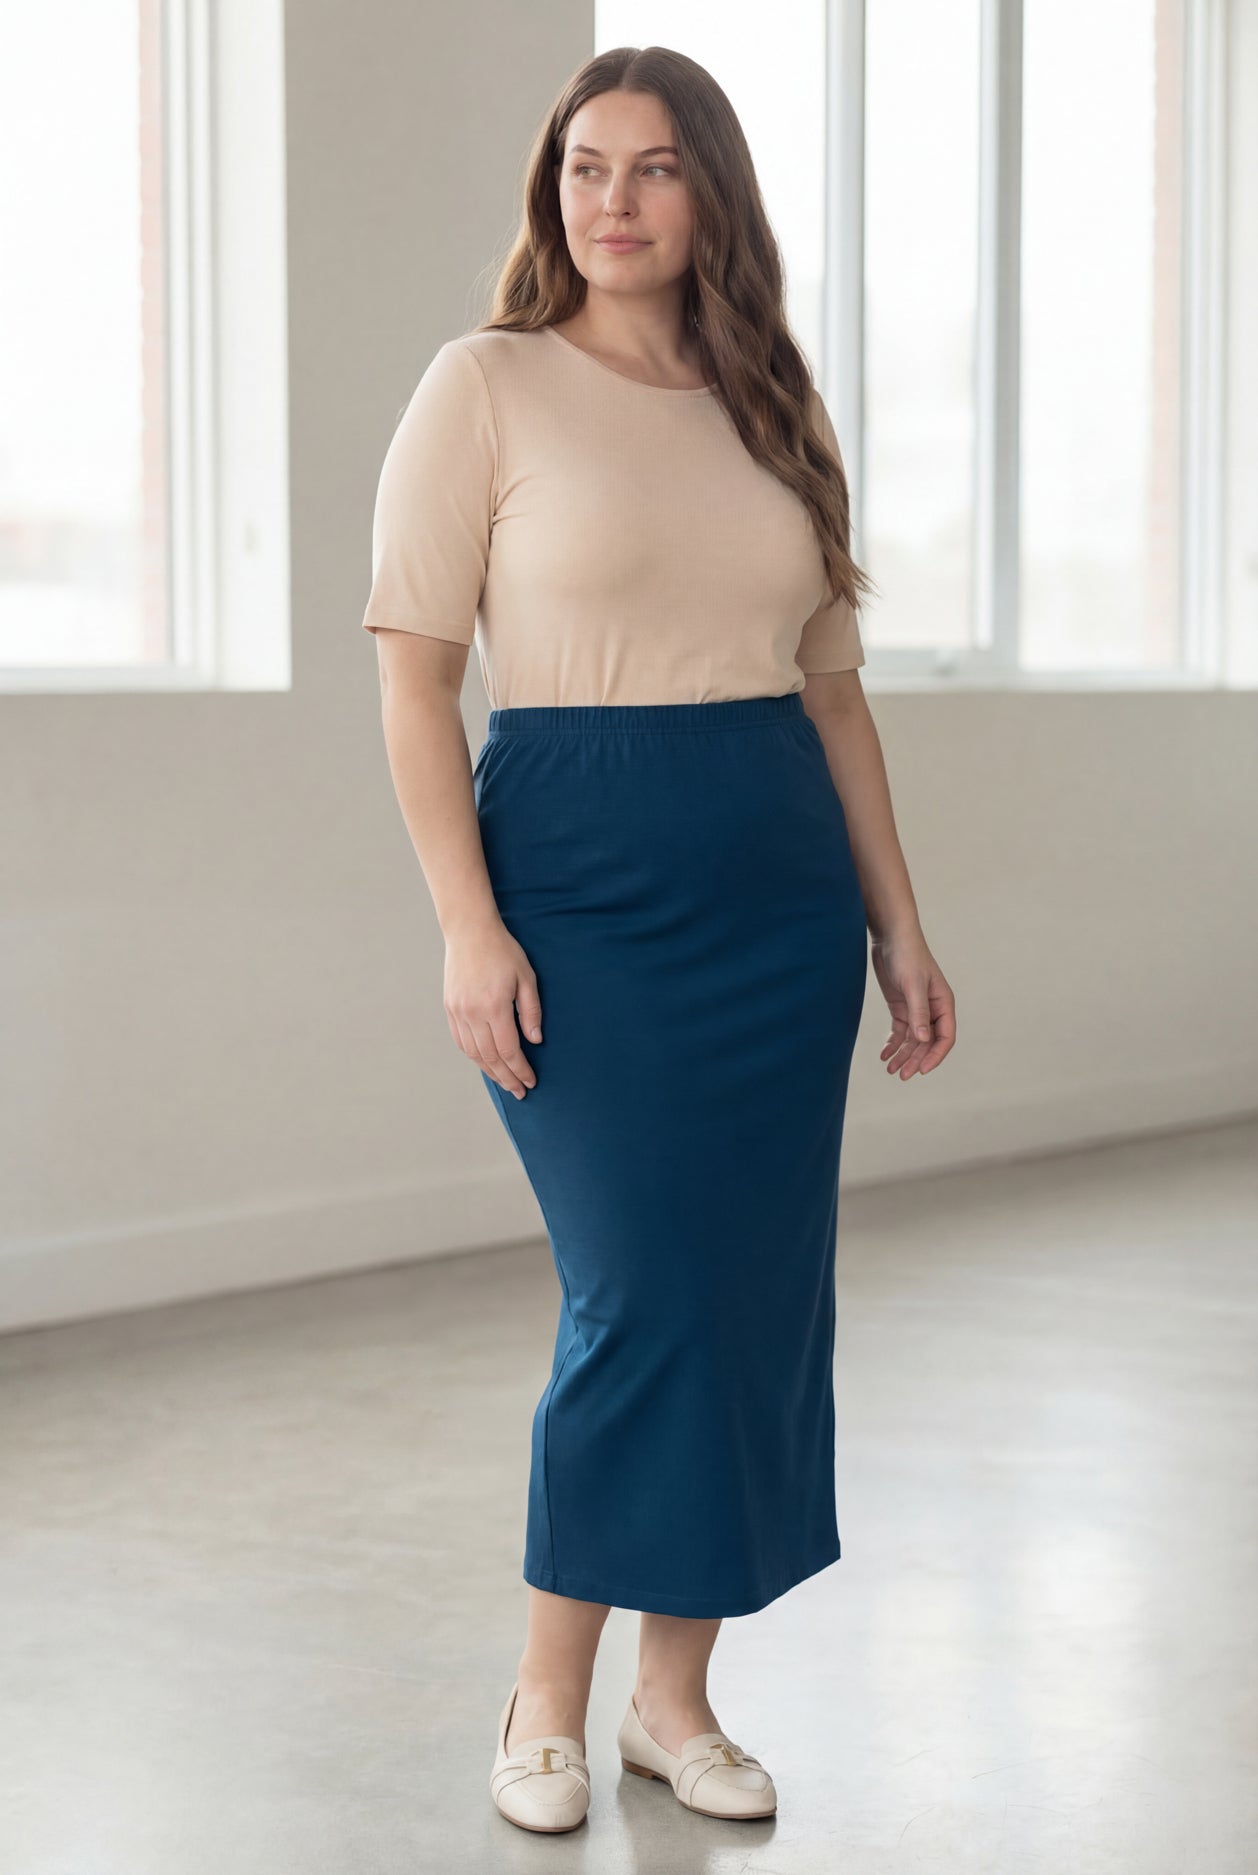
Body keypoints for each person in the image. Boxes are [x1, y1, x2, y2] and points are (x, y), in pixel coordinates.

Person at [361, 45, 956, 1837]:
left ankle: (672, 1699)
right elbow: (412, 678)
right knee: (637, 1292)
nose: (608, 200)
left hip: (772, 891)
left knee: (751, 1297)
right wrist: (469, 927)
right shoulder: (484, 388)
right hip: (576, 877)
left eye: (652, 168)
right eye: (581, 168)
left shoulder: (776, 409)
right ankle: (545, 1697)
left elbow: (835, 702)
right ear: (553, 196)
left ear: (712, 196)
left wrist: (897, 930)